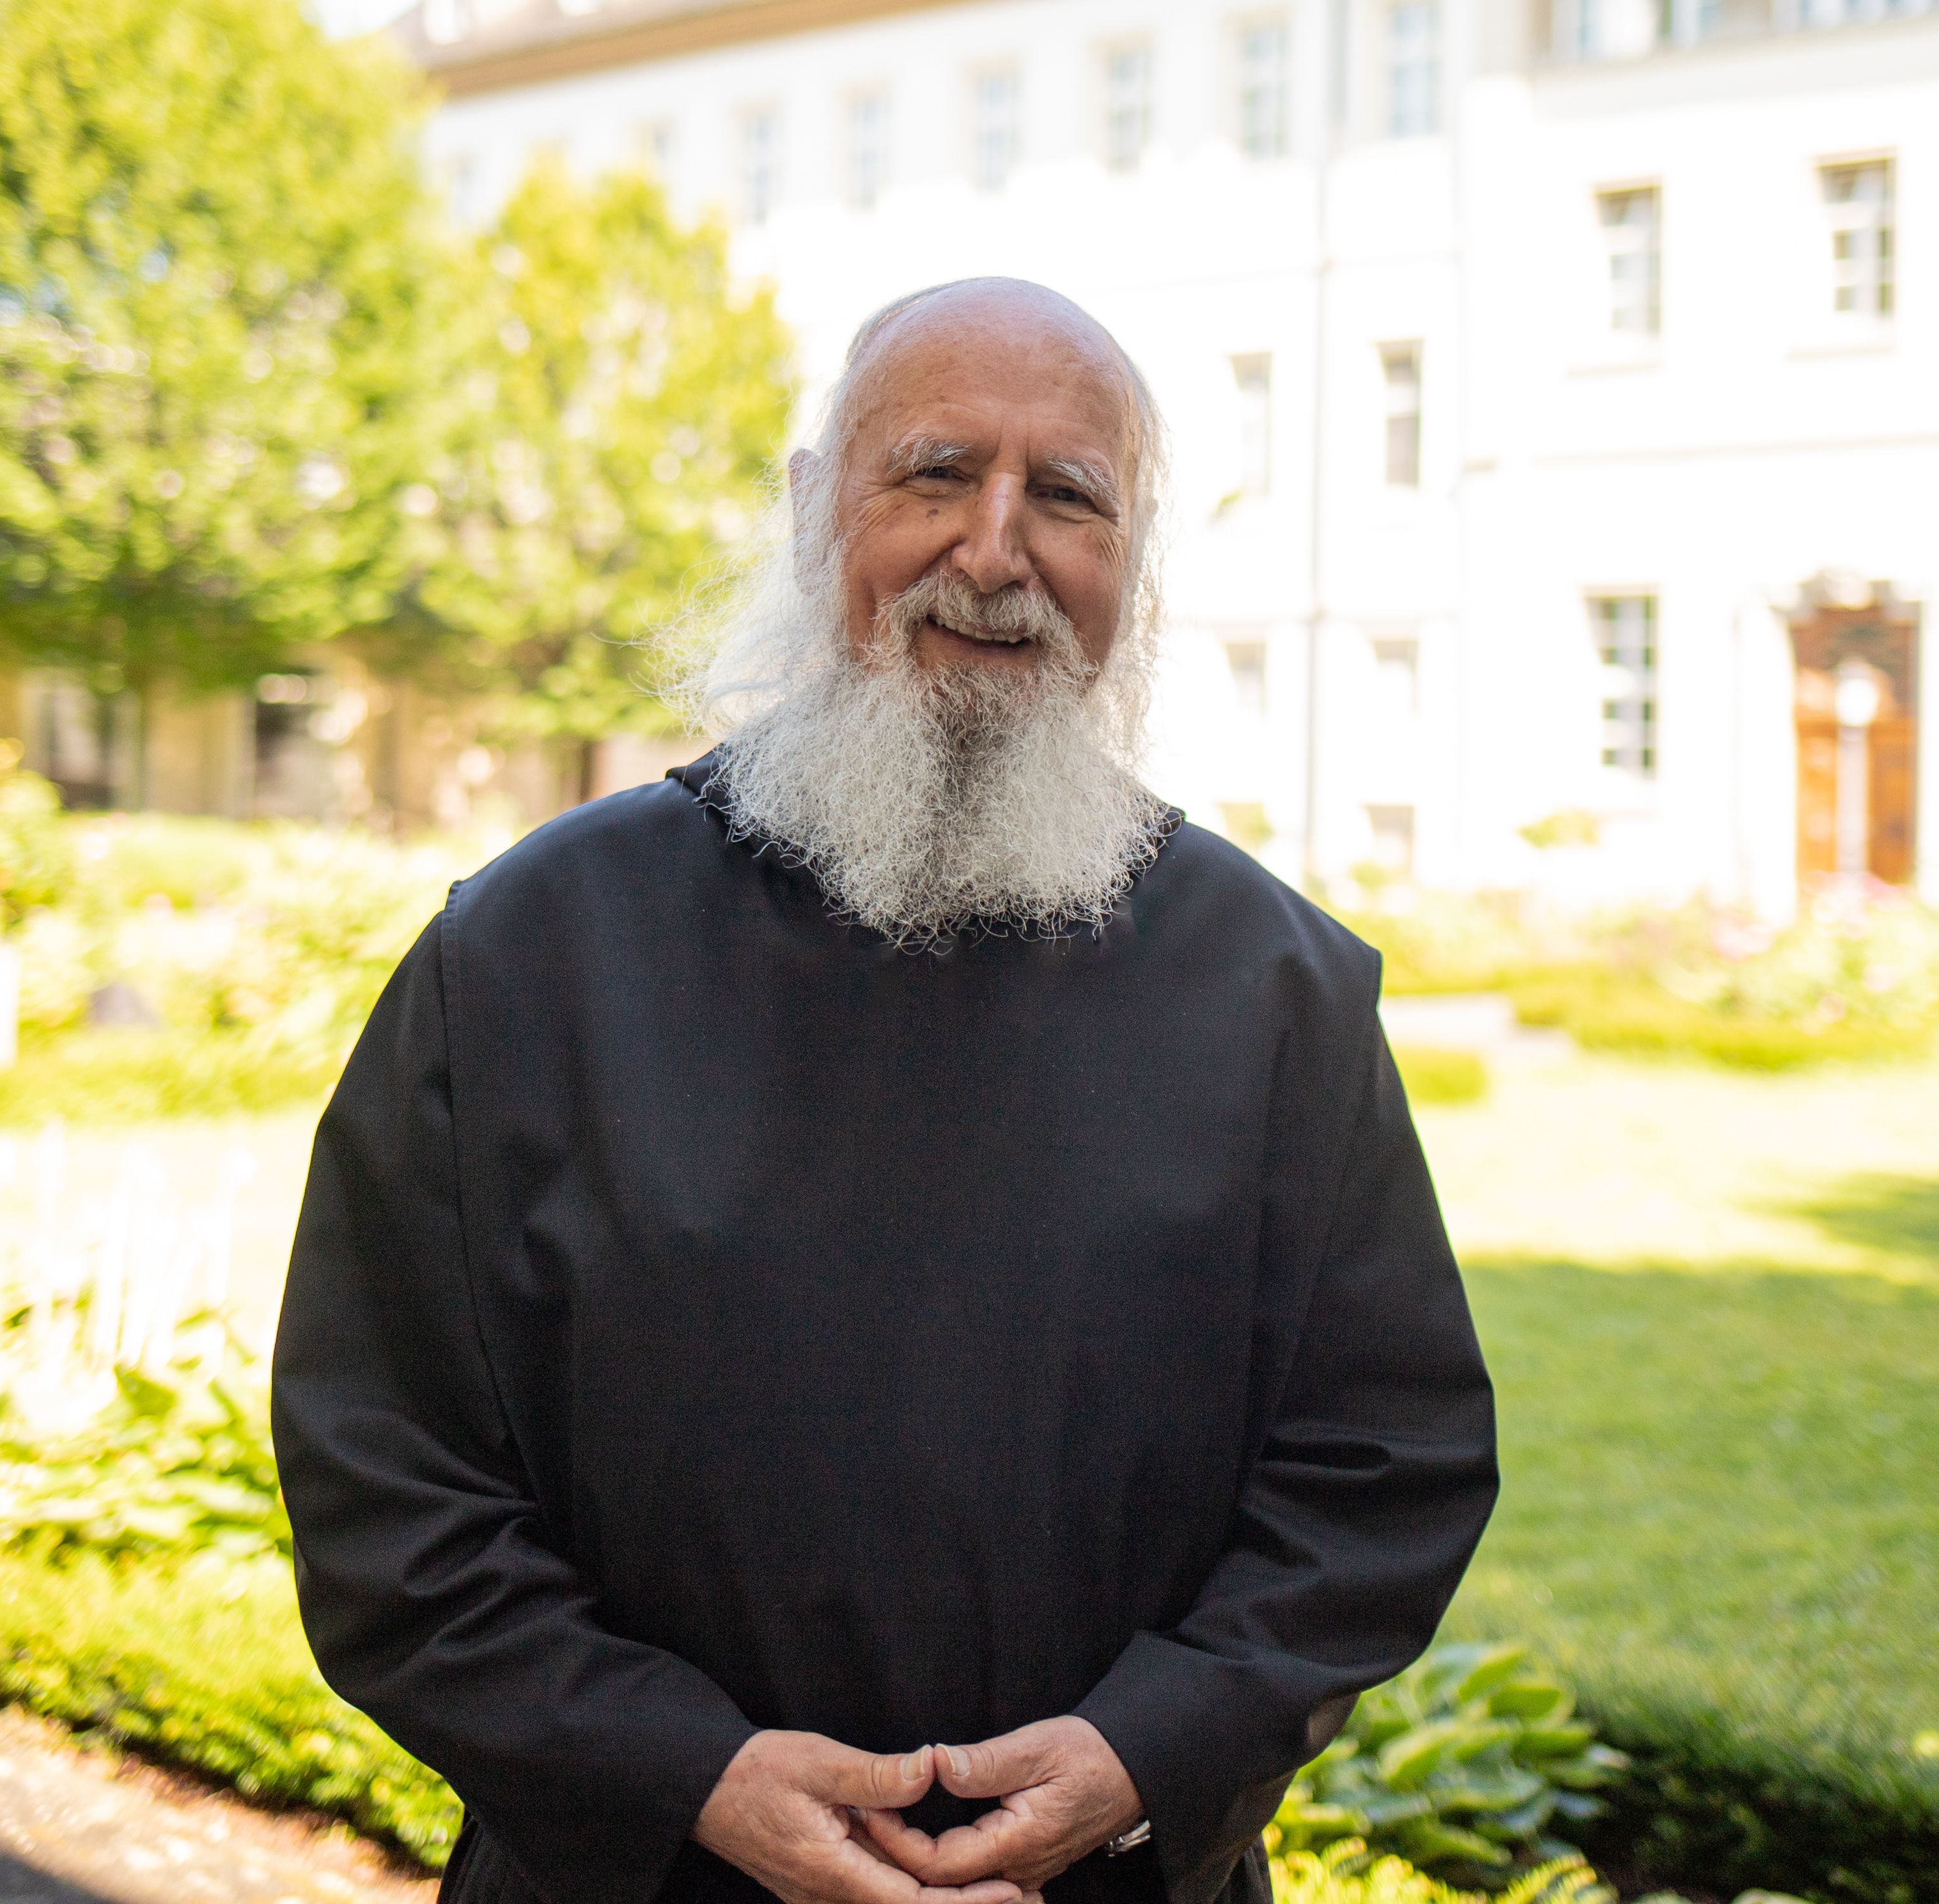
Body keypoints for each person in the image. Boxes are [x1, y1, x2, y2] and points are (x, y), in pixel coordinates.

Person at [273, 277, 1497, 1904]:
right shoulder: (531, 951)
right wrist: (677, 1769)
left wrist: (1148, 1756)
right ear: (809, 514)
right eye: (931, 475)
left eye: (1065, 497)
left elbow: (1383, 1467)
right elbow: (385, 1465)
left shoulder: (1276, 990)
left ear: (1130, 566)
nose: (993, 554)